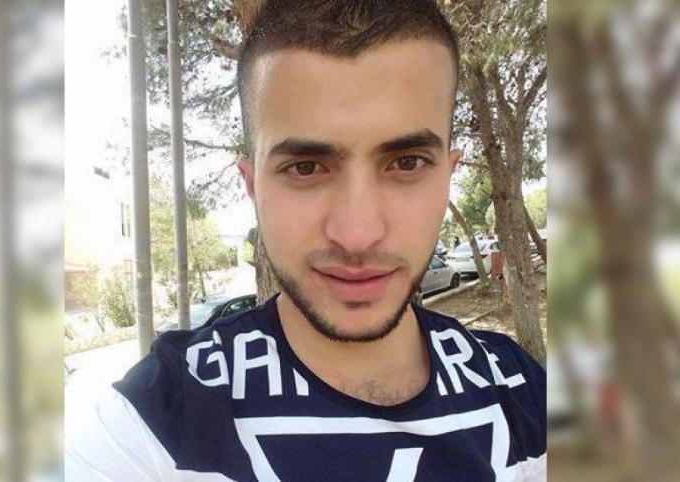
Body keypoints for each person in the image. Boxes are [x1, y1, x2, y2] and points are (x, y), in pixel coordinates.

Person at [65, 1, 546, 480]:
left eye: (407, 163)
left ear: (448, 175)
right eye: (305, 167)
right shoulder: (156, 422)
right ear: (253, 186)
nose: (357, 235)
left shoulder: (523, 391)